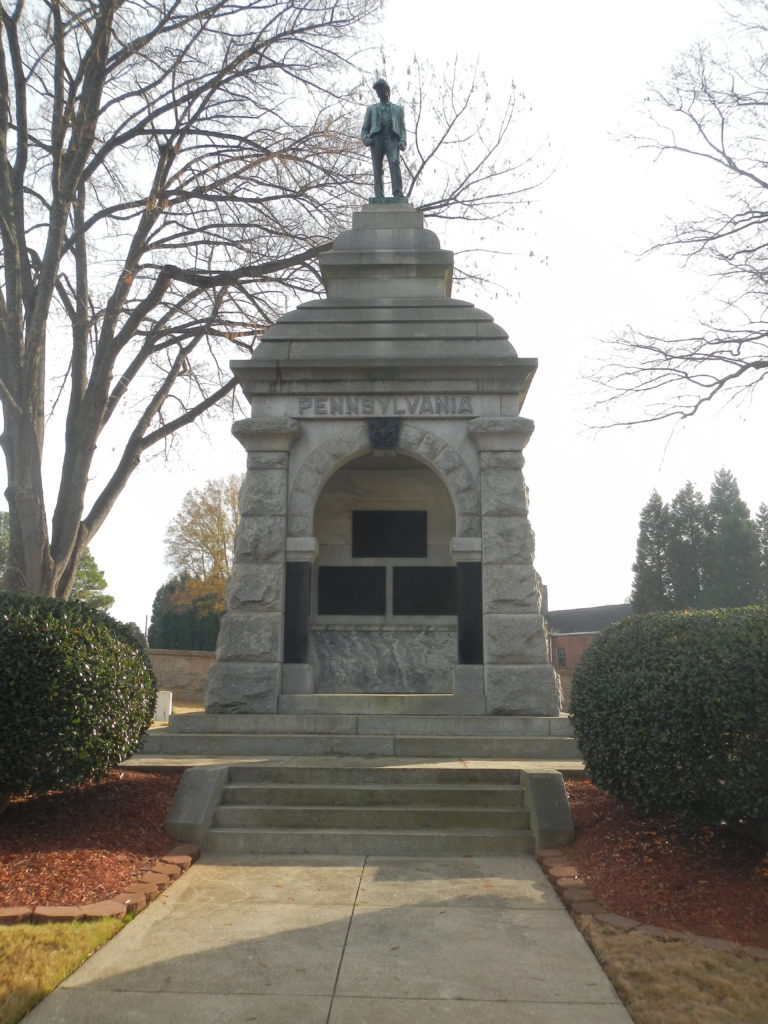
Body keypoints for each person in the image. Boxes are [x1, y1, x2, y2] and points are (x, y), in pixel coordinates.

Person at [361, 78, 406, 199]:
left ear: (387, 90)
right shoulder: (371, 109)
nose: (379, 92)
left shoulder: (398, 109)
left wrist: (403, 140)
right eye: (377, 91)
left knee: (395, 162)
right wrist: (366, 138)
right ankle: (379, 195)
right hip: (376, 140)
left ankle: (397, 192)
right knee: (377, 167)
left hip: (392, 138)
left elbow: (402, 128)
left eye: (381, 89)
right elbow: (364, 129)